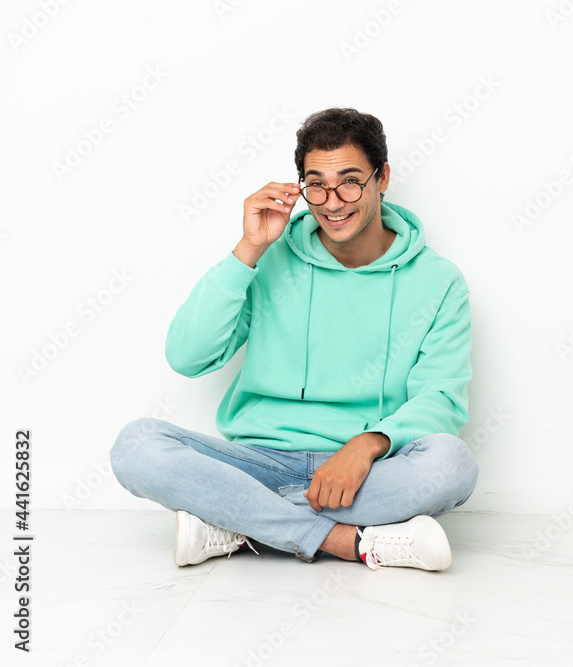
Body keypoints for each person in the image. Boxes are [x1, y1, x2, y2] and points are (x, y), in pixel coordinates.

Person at [110, 108, 478, 571]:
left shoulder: (439, 282)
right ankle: (348, 542)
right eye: (316, 184)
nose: (332, 202)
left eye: (350, 181)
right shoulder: (269, 257)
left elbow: (441, 399)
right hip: (256, 464)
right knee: (136, 444)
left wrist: (367, 444)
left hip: (364, 474)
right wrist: (248, 249)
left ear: (382, 178)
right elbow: (187, 356)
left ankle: (239, 523)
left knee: (452, 464)